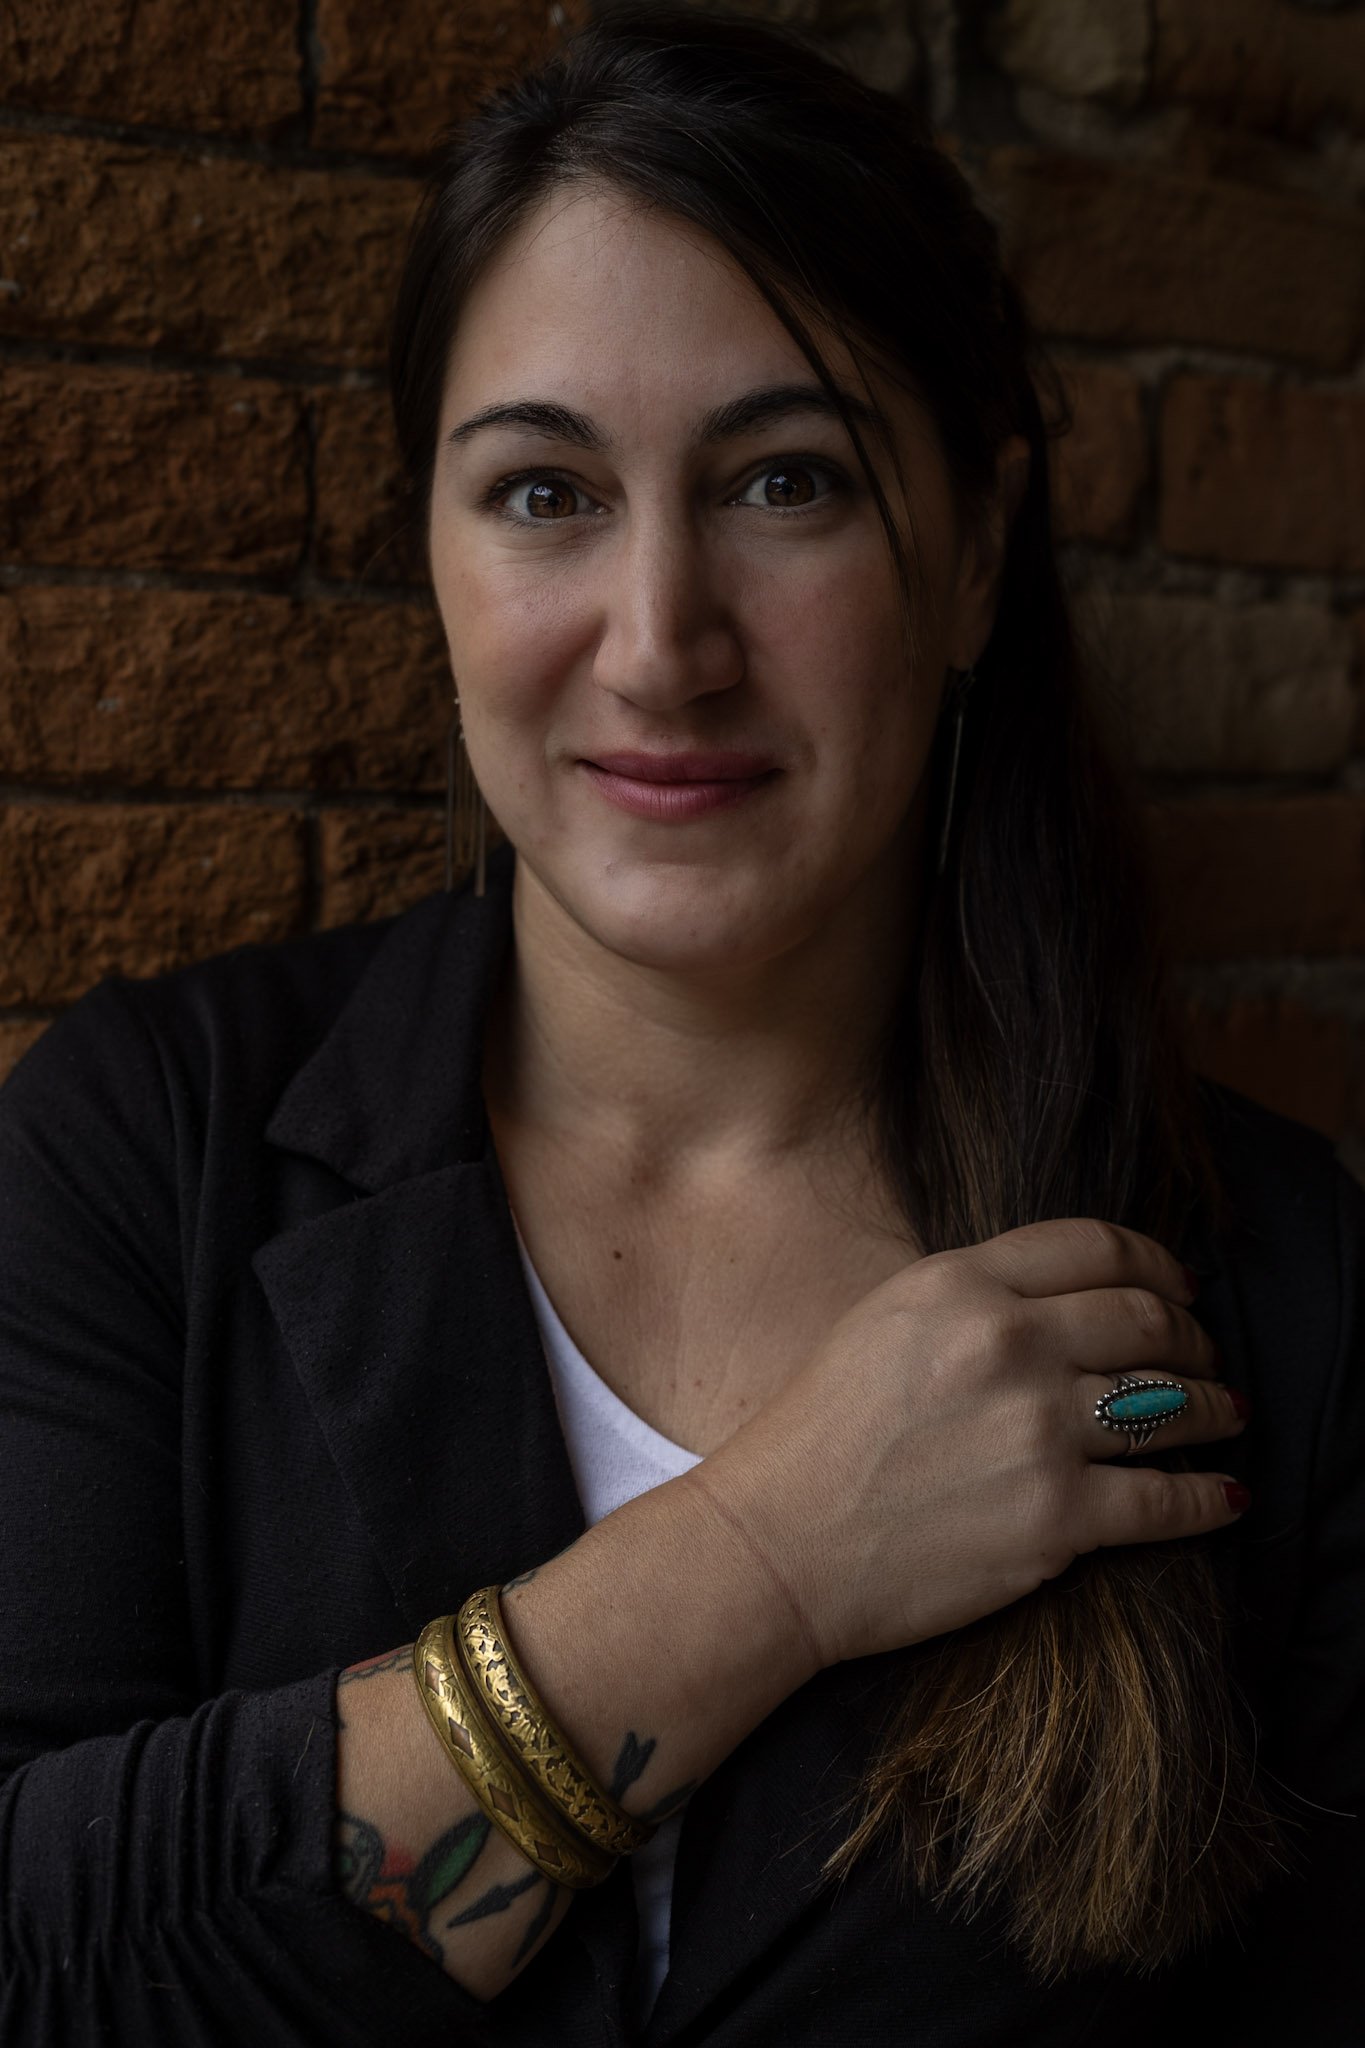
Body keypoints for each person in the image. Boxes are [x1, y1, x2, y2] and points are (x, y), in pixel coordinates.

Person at [0, 7, 1360, 2043]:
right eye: (543, 491)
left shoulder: (1277, 1287)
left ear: (976, 553)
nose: (659, 645)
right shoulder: (144, 1148)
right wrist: (769, 1554)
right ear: (427, 550)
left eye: (784, 482)